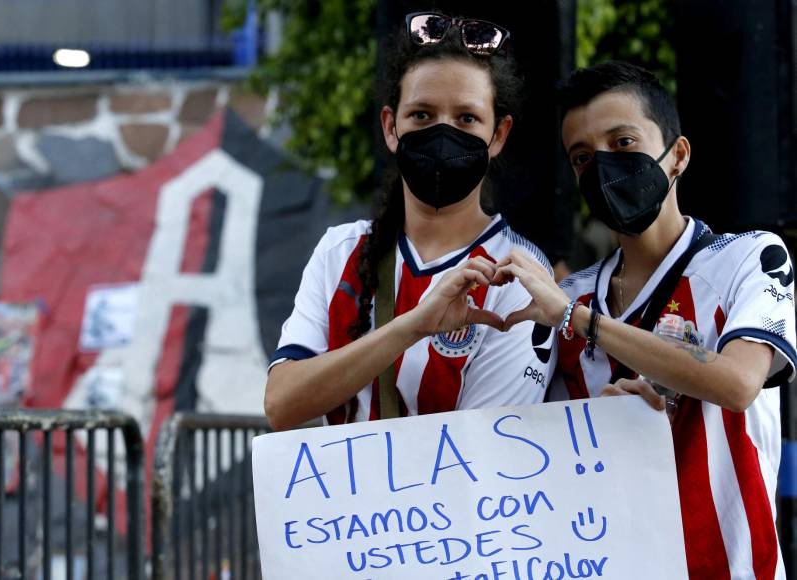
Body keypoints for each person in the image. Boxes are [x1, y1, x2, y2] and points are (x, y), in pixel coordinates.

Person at [496, 61, 796, 579]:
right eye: (583, 158)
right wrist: (597, 430)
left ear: (677, 155)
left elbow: (738, 382)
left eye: (624, 144)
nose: (604, 169)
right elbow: (535, 464)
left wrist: (580, 319)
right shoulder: (564, 297)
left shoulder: (751, 258)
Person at [264, 12, 556, 431]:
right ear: (390, 126)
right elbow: (281, 404)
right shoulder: (340, 251)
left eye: (466, 119)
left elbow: (486, 455)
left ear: (498, 136)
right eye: (421, 114)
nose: (442, 132)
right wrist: (413, 327)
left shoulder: (519, 276)